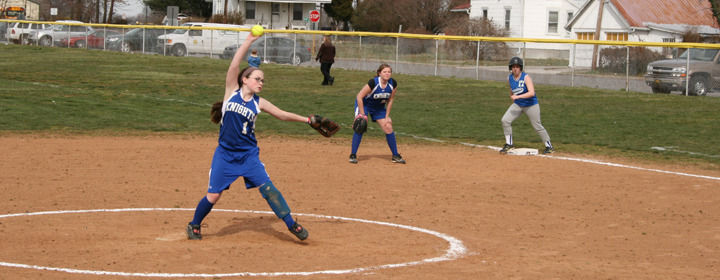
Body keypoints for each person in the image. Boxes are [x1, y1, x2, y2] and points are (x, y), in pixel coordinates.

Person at [186, 32, 312, 241]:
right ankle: (194, 225)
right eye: (257, 79)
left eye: (263, 80)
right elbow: (234, 66)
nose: (261, 83)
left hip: (248, 156)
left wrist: (307, 120)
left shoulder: (258, 102)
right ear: (245, 80)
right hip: (225, 155)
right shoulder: (231, 91)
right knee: (214, 195)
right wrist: (247, 42)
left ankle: (291, 224)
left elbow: (282, 114)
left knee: (268, 189)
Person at [349, 63, 405, 164]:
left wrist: (387, 116)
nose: (387, 74)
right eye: (384, 72)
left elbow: (390, 100)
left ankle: (395, 155)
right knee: (361, 124)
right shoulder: (373, 83)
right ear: (379, 73)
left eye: (389, 72)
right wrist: (362, 114)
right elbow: (359, 97)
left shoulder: (393, 84)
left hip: (378, 107)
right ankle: (353, 155)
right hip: (364, 104)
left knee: (388, 127)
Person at [499, 57, 555, 155]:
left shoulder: (526, 77)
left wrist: (517, 97)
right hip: (518, 105)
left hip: (531, 105)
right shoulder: (509, 78)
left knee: (537, 125)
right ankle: (509, 144)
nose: (515, 69)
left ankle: (549, 146)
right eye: (513, 67)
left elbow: (532, 93)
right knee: (505, 120)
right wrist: (513, 98)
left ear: (520, 68)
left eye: (517, 67)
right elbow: (511, 90)